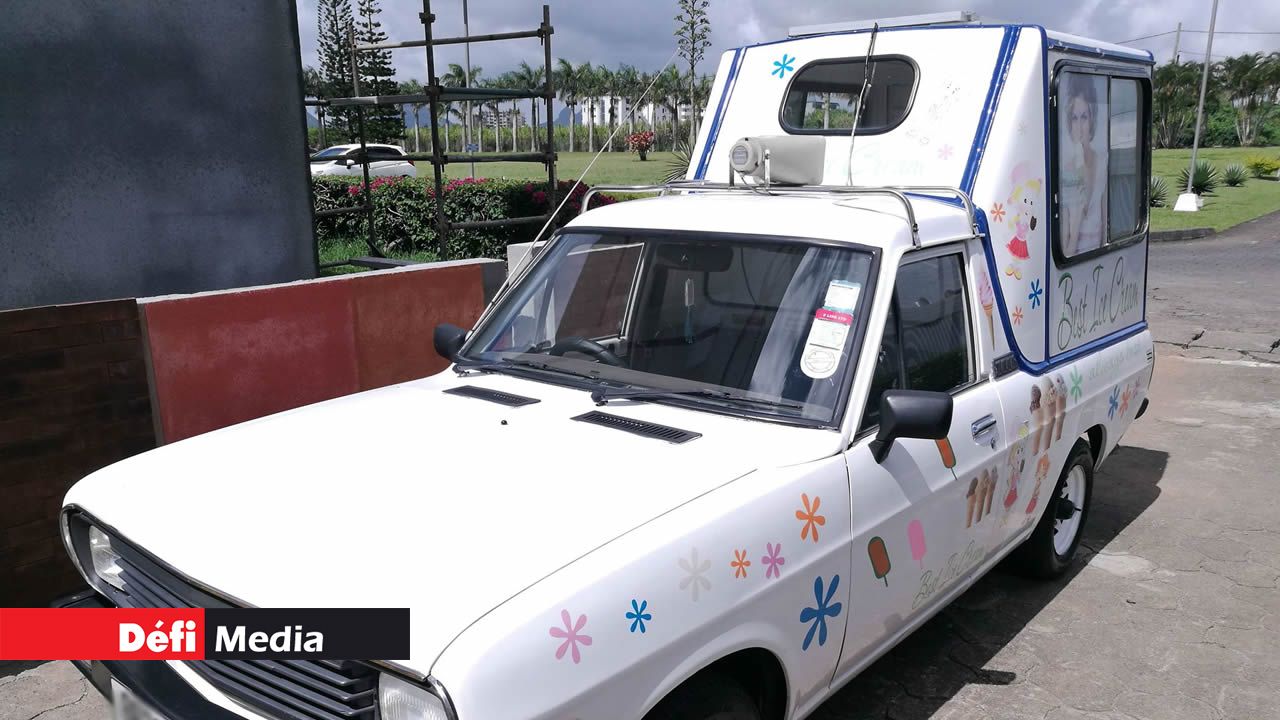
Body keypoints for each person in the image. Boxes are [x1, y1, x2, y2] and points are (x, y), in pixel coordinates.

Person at [1060, 74, 1105, 256]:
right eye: (1075, 118)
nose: (1079, 126)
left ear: (1091, 120)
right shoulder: (1066, 172)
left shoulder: (1103, 161)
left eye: (1084, 117)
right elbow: (1066, 240)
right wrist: (1076, 222)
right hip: (1075, 256)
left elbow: (1104, 218)